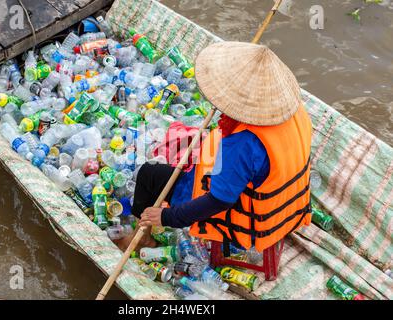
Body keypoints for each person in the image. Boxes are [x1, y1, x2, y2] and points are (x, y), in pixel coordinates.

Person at [115, 41, 312, 253]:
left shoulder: (242, 144)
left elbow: (219, 200)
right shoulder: (296, 112)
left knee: (148, 173)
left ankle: (142, 237)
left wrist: (167, 216)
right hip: (291, 206)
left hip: (252, 221)